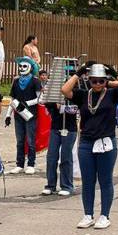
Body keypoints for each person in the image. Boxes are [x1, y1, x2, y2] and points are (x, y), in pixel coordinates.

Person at [62, 62, 118, 230]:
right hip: (86, 142)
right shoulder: (82, 95)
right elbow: (65, 90)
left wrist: (115, 74)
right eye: (94, 81)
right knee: (88, 181)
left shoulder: (112, 94)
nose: (97, 84)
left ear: (105, 81)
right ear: (89, 80)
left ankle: (104, 215)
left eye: (101, 81)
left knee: (105, 180)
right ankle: (88, 214)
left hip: (106, 142)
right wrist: (79, 73)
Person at [41, 67, 77, 197]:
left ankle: (67, 185)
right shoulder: (53, 93)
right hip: (56, 127)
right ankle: (50, 185)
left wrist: (63, 106)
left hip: (70, 128)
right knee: (51, 156)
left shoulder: (75, 93)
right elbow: (45, 103)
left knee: (66, 157)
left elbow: (75, 109)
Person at [5, 57, 41, 174]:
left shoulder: (35, 81)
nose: (21, 68)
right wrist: (8, 115)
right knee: (20, 141)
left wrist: (28, 103)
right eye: (20, 66)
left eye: (24, 66)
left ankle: (31, 164)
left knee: (30, 140)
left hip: (31, 115)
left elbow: (40, 98)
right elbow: (13, 99)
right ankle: (19, 164)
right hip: (18, 115)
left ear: (30, 67)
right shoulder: (16, 81)